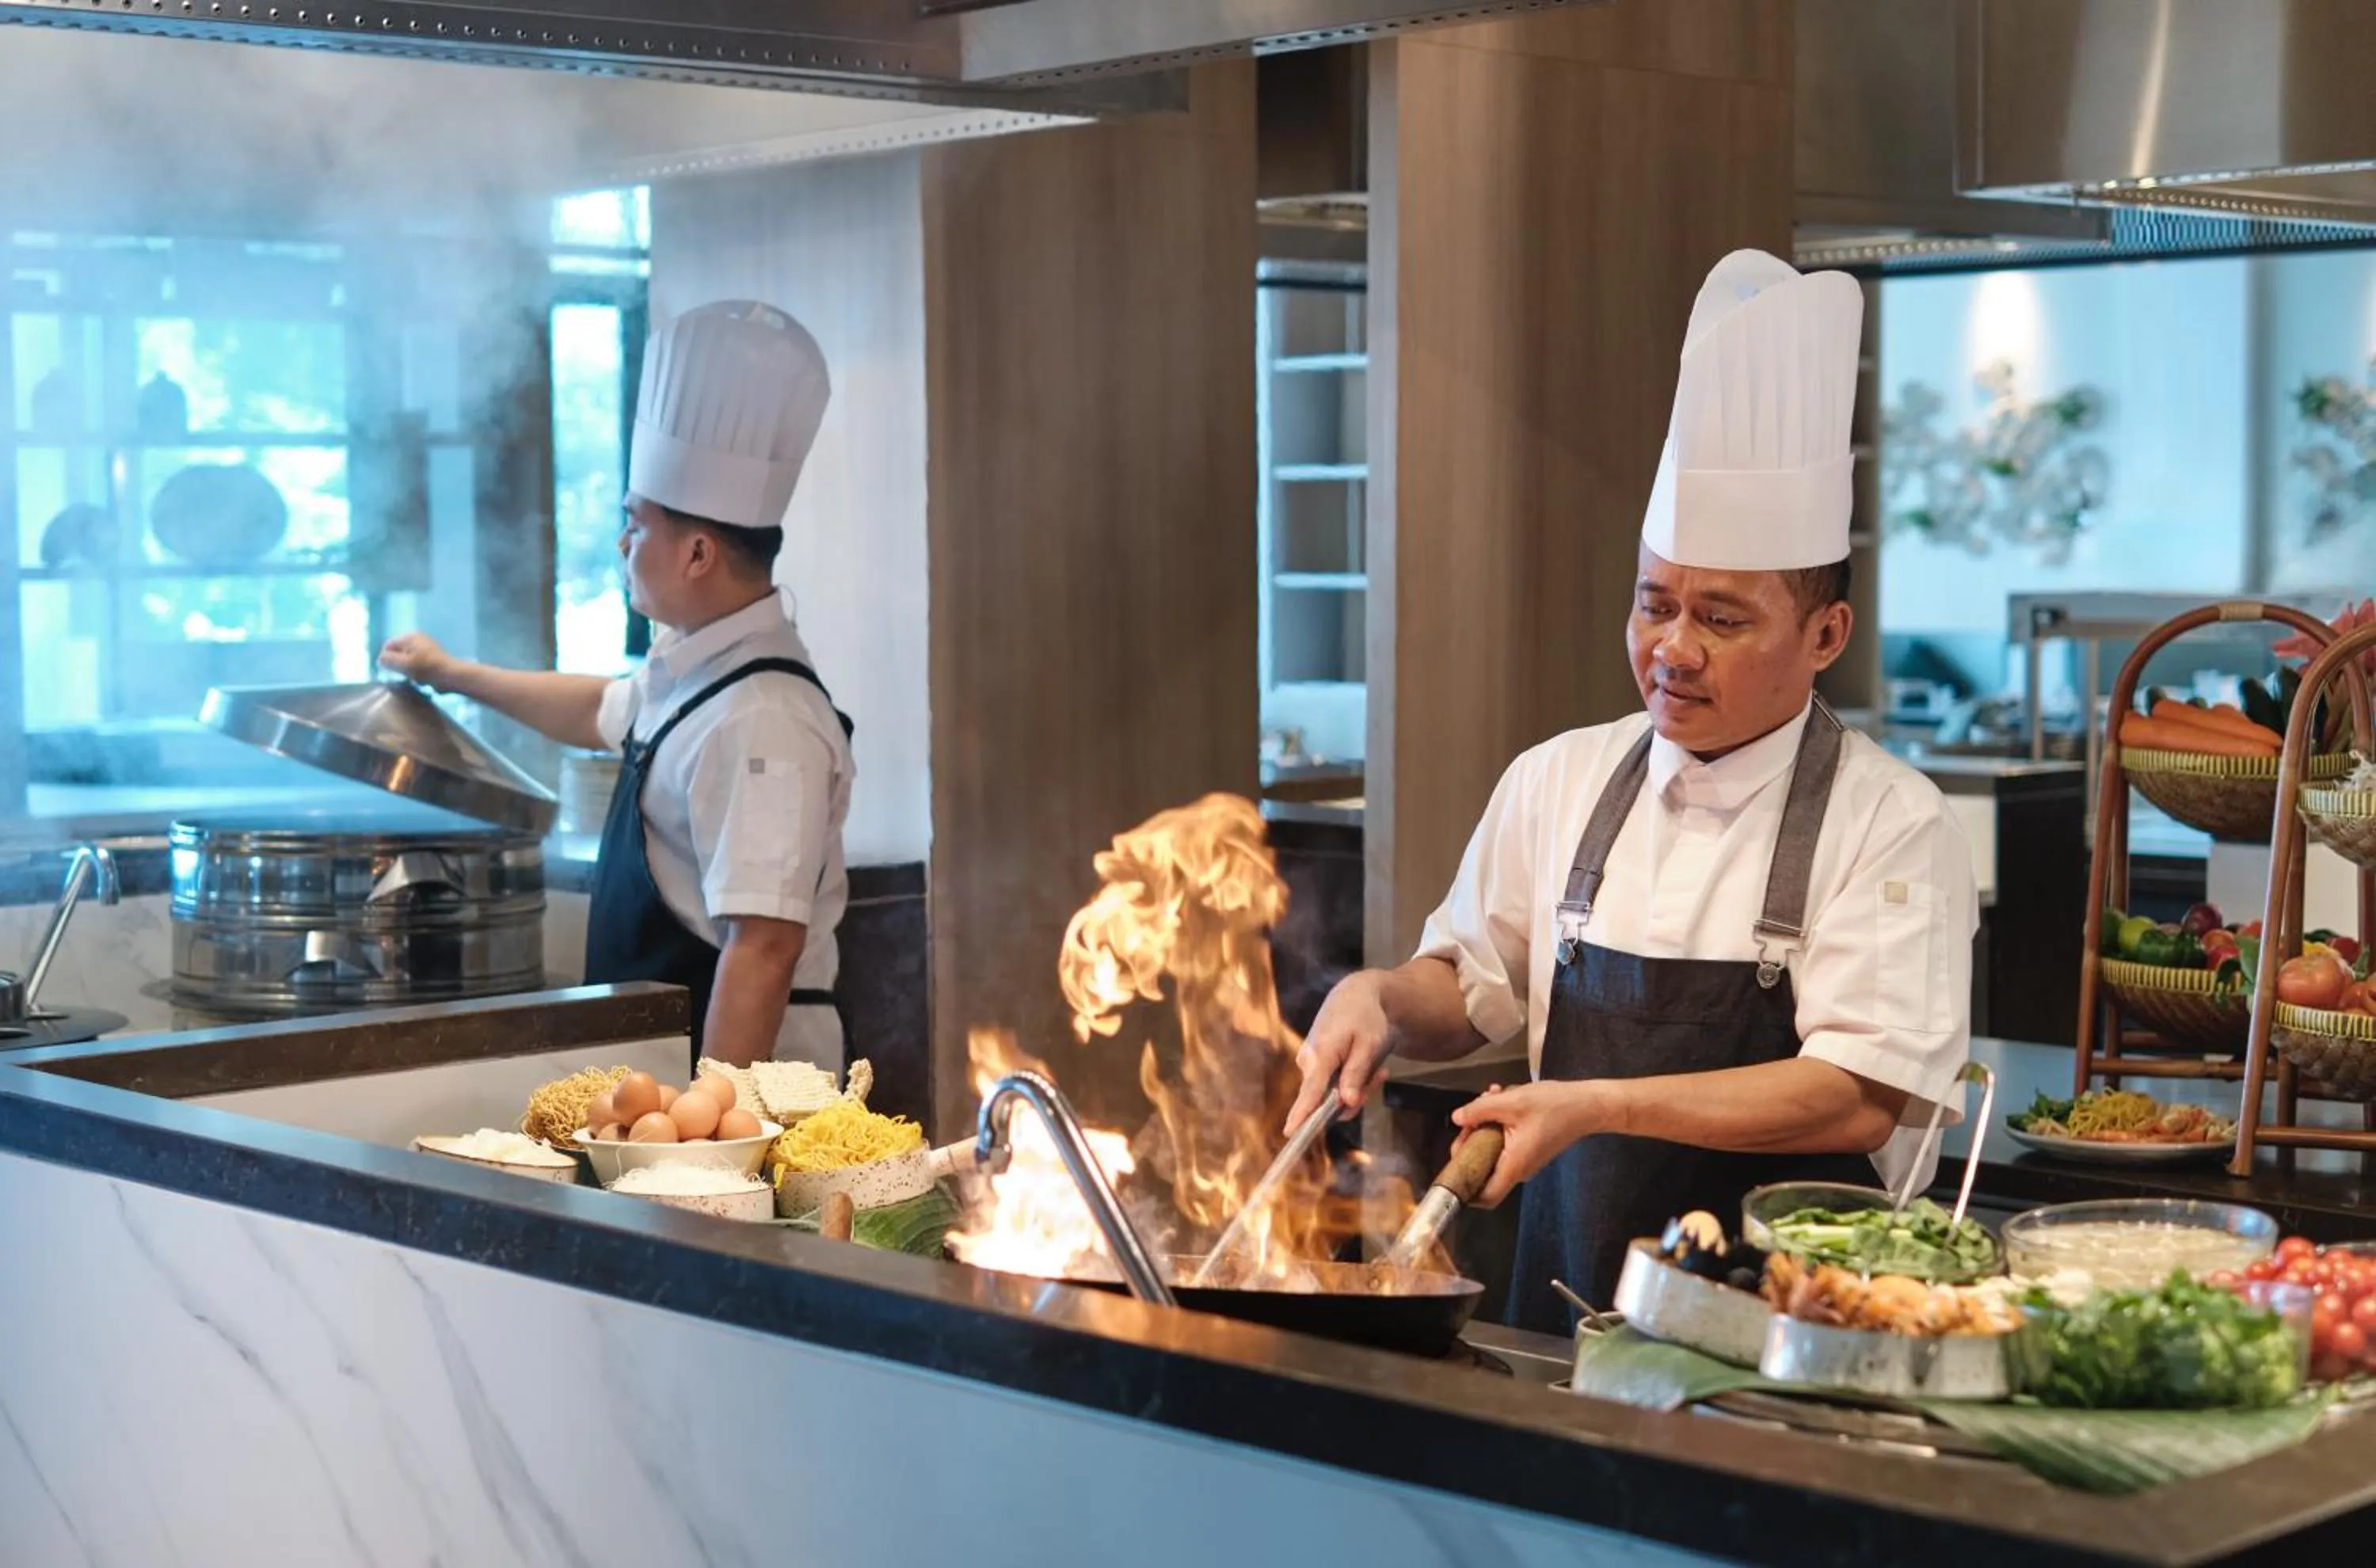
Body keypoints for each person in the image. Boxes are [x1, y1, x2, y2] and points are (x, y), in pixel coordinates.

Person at [1286, 250, 1978, 1329]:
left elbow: (1854, 1095)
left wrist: (1602, 1104)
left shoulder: (1891, 823)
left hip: (1792, 1351)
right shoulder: (1558, 779)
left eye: (1724, 618)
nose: (1674, 649)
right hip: (1560, 1329)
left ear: (1826, 636)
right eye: (1655, 605)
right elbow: (1473, 984)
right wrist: (1377, 996)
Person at [381, 300, 854, 1071]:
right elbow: (600, 709)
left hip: (749, 1091)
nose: (622, 542)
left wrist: (710, 1140)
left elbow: (763, 947)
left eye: (636, 524)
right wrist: (452, 674)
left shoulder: (763, 718)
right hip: (668, 1065)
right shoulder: (698, 669)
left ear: (698, 553)